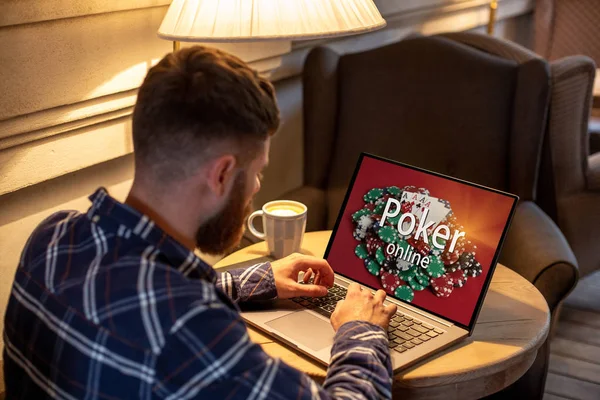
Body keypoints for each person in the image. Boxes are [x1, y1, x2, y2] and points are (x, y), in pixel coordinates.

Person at [3, 46, 397, 399]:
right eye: (256, 172)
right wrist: (360, 329)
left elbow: (138, 290)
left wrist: (255, 281)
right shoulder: (193, 329)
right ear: (222, 174)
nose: (256, 188)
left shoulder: (52, 237)